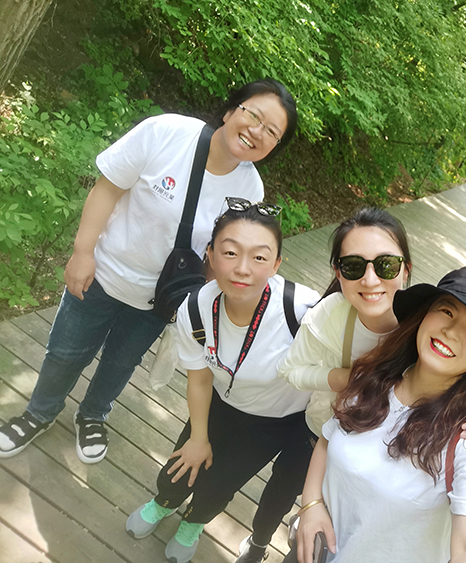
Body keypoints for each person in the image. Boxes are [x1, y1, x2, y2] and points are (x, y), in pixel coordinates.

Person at [0, 79, 298, 464]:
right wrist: (82, 252)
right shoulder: (166, 132)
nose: (257, 131)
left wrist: (199, 309)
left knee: (121, 362)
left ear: (275, 147)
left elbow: (222, 255)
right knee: (65, 352)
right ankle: (38, 413)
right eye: (253, 115)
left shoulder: (250, 191)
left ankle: (92, 415)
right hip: (102, 275)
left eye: (271, 131)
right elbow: (108, 188)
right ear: (230, 111)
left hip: (159, 301)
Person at [237, 209, 466, 563]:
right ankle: (259, 541)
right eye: (354, 266)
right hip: (321, 455)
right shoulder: (363, 354)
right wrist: (311, 505)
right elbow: (321, 420)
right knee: (281, 487)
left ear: (405, 269)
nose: (370, 280)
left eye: (385, 265)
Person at [125, 204, 320, 563]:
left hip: (274, 421)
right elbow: (199, 378)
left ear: (277, 264)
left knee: (223, 482)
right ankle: (163, 503)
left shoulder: (304, 313)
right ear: (211, 254)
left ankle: (193, 523)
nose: (242, 268)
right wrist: (199, 438)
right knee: (183, 464)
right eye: (230, 253)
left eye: (259, 257)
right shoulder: (197, 307)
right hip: (217, 402)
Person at [295, 266, 466, 563]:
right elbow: (327, 440)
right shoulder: (376, 377)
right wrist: (311, 505)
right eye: (447, 311)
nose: (451, 331)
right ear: (426, 313)